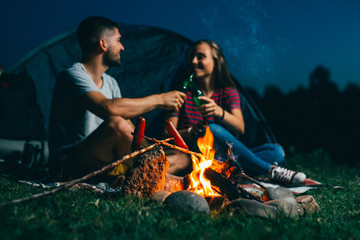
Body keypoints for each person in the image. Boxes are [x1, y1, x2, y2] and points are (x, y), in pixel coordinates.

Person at [48, 16, 186, 180]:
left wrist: (153, 150)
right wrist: (160, 100)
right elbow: (108, 108)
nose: (122, 47)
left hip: (106, 161)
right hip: (69, 164)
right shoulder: (73, 75)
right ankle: (163, 177)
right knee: (116, 124)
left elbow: (126, 125)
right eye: (118, 40)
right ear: (103, 44)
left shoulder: (111, 83)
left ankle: (156, 172)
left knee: (181, 157)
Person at [166, 40, 306, 185]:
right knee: (211, 129)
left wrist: (219, 111)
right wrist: (190, 131)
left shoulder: (228, 92)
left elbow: (240, 127)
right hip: (197, 154)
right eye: (192, 58)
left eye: (200, 56)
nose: (194, 62)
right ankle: (270, 170)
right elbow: (167, 132)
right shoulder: (181, 93)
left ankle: (229, 172)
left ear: (216, 60)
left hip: (225, 157)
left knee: (276, 151)